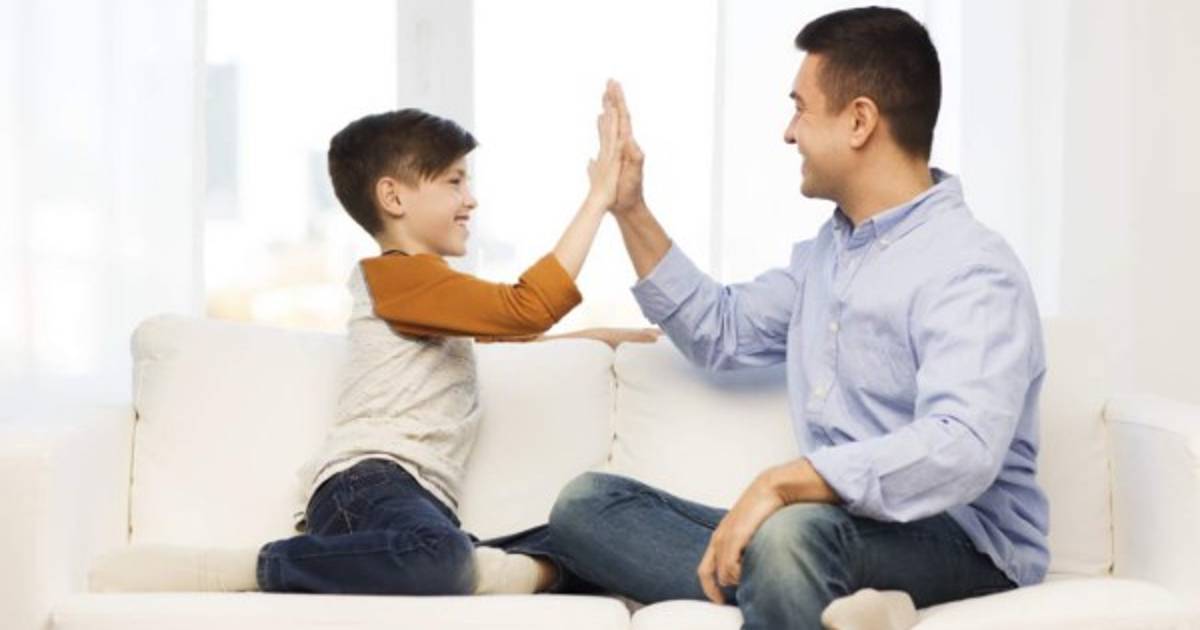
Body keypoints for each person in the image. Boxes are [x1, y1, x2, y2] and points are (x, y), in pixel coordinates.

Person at [548, 8, 1049, 630]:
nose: (789, 134)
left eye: (800, 109)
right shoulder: (826, 259)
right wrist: (630, 208)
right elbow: (720, 329)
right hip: (835, 530)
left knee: (788, 538)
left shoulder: (971, 267)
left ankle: (826, 582)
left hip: (960, 539)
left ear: (859, 121)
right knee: (588, 507)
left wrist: (784, 484)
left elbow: (962, 447)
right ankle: (851, 600)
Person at [94, 81, 653, 596]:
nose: (471, 198)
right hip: (365, 485)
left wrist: (603, 340)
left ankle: (471, 565)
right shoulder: (398, 276)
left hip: (413, 504)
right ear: (393, 197)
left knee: (591, 541)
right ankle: (253, 568)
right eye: (454, 181)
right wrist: (598, 199)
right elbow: (526, 310)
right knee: (437, 557)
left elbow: (506, 339)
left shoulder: (428, 295)